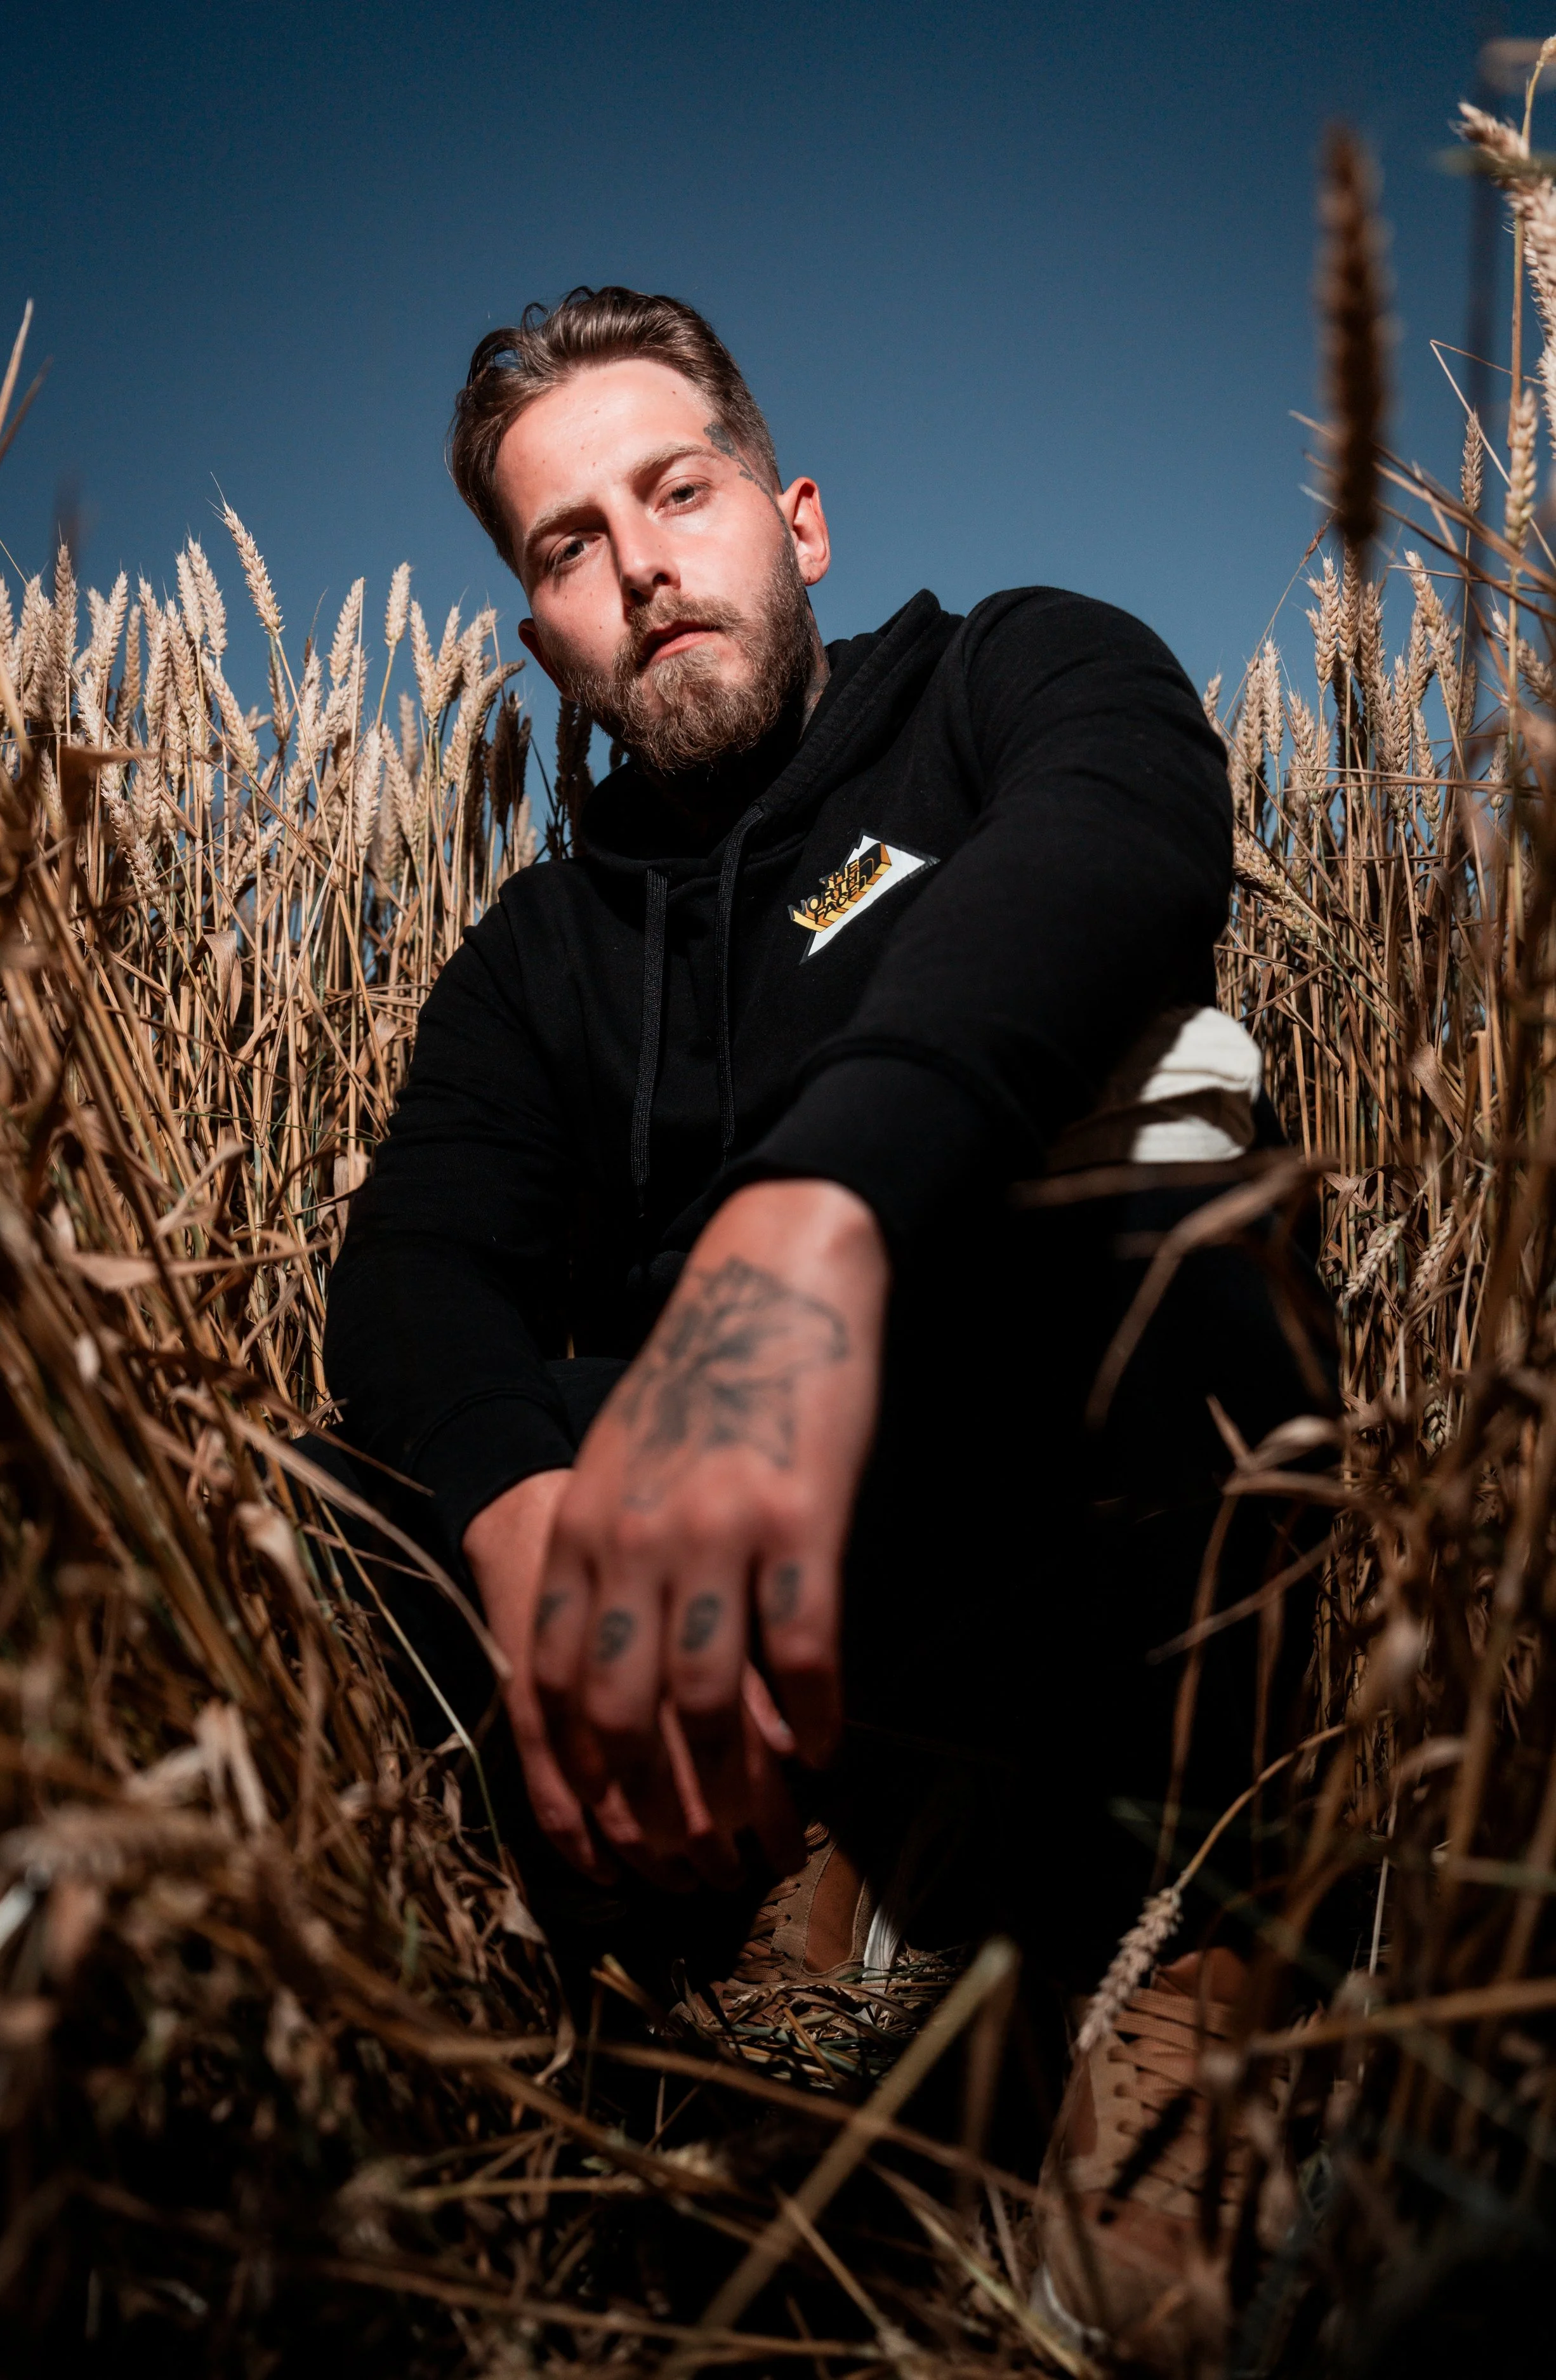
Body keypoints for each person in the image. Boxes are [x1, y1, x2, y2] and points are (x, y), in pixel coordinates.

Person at [320, 286, 1333, 2364]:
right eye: (565, 543)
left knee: (1188, 1149)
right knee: (351, 1459)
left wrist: (806, 1224)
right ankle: (774, 1848)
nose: (637, 563)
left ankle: (1183, 1932)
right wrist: (514, 1514)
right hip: (736, 1565)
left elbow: (1116, 839)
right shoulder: (538, 948)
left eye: (673, 491)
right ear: (540, 637)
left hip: (1042, 1459)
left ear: (795, 517)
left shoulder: (1008, 676)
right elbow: (421, 1253)